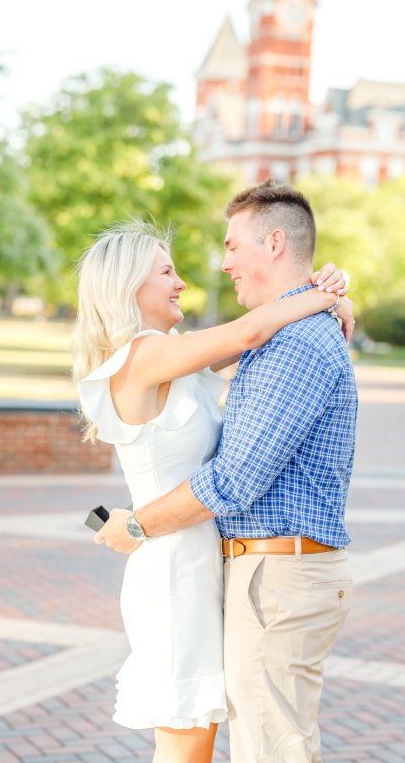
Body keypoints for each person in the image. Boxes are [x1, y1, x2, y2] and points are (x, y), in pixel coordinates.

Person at [72, 215, 352, 763]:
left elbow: (265, 342)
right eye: (167, 271)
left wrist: (334, 300)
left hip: (207, 565)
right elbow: (250, 332)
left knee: (201, 741)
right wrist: (317, 294)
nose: (182, 283)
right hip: (175, 571)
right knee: (186, 747)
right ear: (128, 286)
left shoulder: (178, 357)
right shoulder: (142, 357)